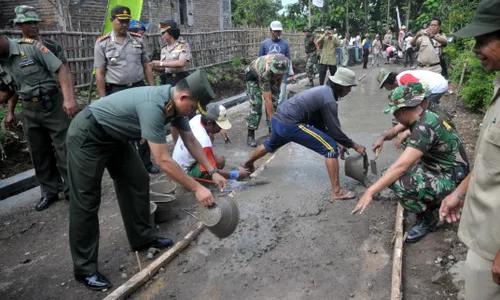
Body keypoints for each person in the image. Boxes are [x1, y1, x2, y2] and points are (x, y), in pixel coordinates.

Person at [67, 69, 226, 290]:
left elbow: (190, 140)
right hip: (88, 134)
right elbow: (163, 160)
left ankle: (142, 238)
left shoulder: (176, 107)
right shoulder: (154, 106)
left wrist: (213, 170)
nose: (192, 113)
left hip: (115, 136)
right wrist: (196, 188)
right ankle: (84, 269)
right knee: (86, 199)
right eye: (192, 107)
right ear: (183, 97)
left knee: (137, 179)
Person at [353, 83, 469, 244]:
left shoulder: (424, 127)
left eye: (394, 114)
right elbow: (395, 132)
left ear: (401, 111)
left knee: (399, 182)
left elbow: (401, 167)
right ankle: (432, 200)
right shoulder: (426, 115)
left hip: (452, 178)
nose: (394, 118)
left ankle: (427, 220)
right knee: (388, 173)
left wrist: (370, 192)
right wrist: (382, 138)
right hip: (445, 169)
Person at [438, 1, 500, 298]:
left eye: (483, 40)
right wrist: (460, 192)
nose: (476, 49)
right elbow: (490, 160)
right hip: (485, 233)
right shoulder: (499, 85)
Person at [242, 67, 366, 201]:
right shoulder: (329, 99)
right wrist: (354, 145)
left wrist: (338, 140)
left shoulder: (322, 92)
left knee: (270, 145)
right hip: (289, 124)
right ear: (341, 85)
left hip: (278, 120)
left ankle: (247, 164)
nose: (349, 91)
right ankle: (337, 192)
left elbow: (318, 124)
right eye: (349, 87)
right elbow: (335, 130)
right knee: (330, 148)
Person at [0, 10, 78, 212]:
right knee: (38, 152)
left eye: (35, 22)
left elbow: (64, 70)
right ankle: (49, 192)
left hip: (52, 103)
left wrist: (69, 99)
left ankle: (73, 190)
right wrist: (10, 112)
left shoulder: (38, 47)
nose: (32, 26)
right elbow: (12, 88)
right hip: (29, 109)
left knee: (64, 149)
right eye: (27, 23)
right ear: (19, 26)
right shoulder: (3, 61)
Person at [94, 5, 159, 174]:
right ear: (112, 21)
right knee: (120, 129)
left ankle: (146, 163)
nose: (124, 24)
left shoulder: (138, 40)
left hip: (139, 88)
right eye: (120, 21)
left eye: (127, 21)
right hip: (117, 92)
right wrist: (103, 98)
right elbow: (100, 73)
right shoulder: (102, 43)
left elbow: (146, 66)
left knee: (144, 126)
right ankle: (127, 166)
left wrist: (152, 89)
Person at [173, 104, 250, 180]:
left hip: (176, 163)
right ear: (209, 123)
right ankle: (202, 177)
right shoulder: (204, 141)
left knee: (211, 138)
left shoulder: (197, 118)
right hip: (184, 172)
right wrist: (235, 174)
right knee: (220, 161)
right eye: (219, 126)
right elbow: (212, 170)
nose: (220, 129)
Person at [245, 54, 290, 147]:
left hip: (270, 74)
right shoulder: (264, 71)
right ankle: (250, 134)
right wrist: (273, 120)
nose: (278, 74)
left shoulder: (284, 63)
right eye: (276, 72)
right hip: (254, 76)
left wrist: (277, 88)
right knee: (256, 104)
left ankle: (272, 132)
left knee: (275, 101)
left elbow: (280, 75)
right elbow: (267, 99)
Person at [258, 20, 295, 103]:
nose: (277, 33)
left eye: (279, 31)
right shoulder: (264, 44)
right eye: (275, 31)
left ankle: (281, 113)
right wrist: (260, 75)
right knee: (269, 96)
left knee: (281, 96)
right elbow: (260, 59)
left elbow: (288, 59)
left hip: (281, 74)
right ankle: (272, 113)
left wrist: (291, 74)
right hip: (268, 74)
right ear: (271, 30)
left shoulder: (285, 44)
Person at [377, 68, 448, 105]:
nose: (385, 88)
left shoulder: (403, 78)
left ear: (389, 82)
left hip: (437, 86)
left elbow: (423, 88)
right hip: (435, 84)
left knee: (422, 110)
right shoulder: (400, 82)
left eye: (385, 85)